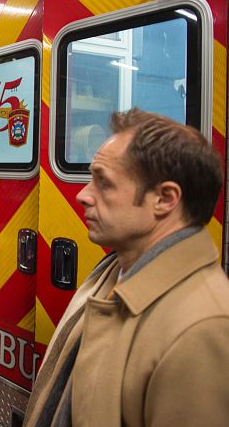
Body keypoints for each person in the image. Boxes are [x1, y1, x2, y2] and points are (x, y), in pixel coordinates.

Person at [23, 108, 229, 427]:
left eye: (103, 183)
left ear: (164, 199)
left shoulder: (204, 327)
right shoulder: (113, 272)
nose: (82, 195)